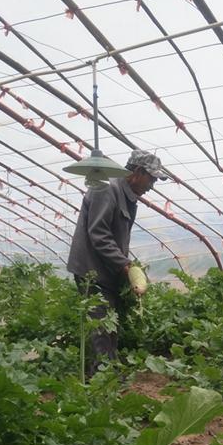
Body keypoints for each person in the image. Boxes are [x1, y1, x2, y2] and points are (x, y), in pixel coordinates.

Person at [67, 149, 166, 375]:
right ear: (138, 172)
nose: (152, 186)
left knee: (110, 324)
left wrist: (125, 268)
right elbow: (99, 234)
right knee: (101, 325)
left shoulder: (125, 193)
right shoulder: (106, 188)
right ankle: (102, 378)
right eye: (151, 179)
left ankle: (107, 373)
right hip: (91, 270)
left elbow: (116, 237)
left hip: (107, 270)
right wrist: (125, 265)